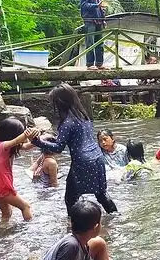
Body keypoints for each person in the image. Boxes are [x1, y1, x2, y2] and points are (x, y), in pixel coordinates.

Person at [31, 84, 118, 213]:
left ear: (60, 103)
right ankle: (115, 217)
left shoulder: (66, 123)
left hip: (82, 161)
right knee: (101, 194)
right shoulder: (84, 116)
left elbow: (58, 148)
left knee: (70, 199)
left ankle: (75, 227)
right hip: (97, 157)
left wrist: (36, 141)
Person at [0, 118, 36, 222]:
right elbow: (16, 141)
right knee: (26, 206)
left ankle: (3, 233)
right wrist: (27, 133)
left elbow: (27, 146)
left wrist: (37, 139)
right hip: (1, 184)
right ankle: (29, 229)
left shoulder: (1, 145)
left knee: (7, 213)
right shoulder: (1, 145)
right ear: (12, 134)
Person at [80, 0, 109, 70]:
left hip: (98, 19)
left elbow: (99, 5)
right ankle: (90, 64)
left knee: (100, 43)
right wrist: (96, 5)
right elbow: (83, 5)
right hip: (89, 20)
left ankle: (99, 63)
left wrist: (103, 18)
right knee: (90, 42)